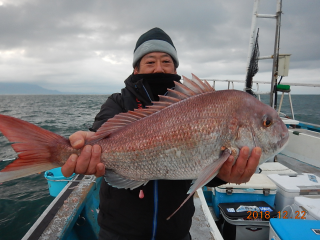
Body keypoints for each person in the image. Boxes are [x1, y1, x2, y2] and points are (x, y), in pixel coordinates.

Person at [61, 27, 262, 240]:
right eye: (150, 62)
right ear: (136, 69)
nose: (159, 68)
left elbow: (200, 166)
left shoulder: (195, 105)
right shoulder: (117, 103)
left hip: (174, 231)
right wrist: (84, 147)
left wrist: (222, 175)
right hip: (119, 232)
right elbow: (99, 133)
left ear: (175, 67)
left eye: (167, 61)